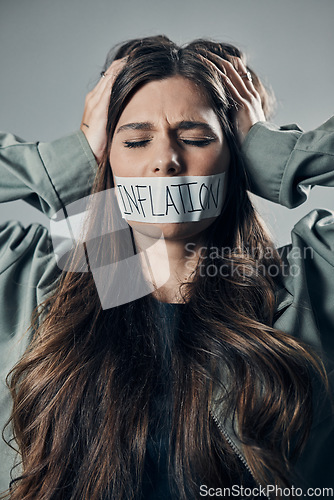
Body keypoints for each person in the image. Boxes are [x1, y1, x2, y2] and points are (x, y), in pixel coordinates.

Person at [0, 35, 333, 499]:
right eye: (135, 140)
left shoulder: (313, 280)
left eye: (196, 138)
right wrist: (65, 162)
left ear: (237, 157)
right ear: (106, 158)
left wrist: (278, 156)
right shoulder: (29, 278)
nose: (166, 161)